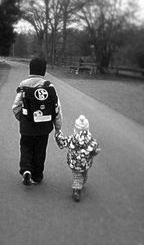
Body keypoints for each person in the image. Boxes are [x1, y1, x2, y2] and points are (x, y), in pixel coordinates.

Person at [12, 57, 62, 186]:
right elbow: (57, 109)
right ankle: (37, 176)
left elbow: (15, 106)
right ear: (44, 71)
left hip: (27, 126)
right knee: (40, 151)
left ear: (30, 69)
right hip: (44, 127)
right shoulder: (49, 86)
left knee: (26, 147)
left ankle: (26, 170)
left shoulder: (23, 85)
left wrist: (22, 119)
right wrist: (58, 128)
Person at [55, 115, 100, 202]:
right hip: (85, 162)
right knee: (83, 173)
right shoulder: (89, 139)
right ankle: (82, 183)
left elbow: (62, 143)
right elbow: (95, 149)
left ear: (76, 128)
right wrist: (92, 154)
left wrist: (58, 135)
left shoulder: (72, 138)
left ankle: (77, 190)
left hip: (74, 162)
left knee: (77, 175)